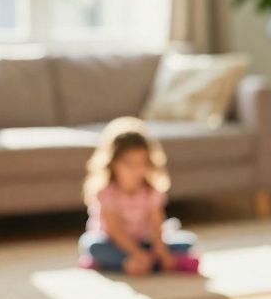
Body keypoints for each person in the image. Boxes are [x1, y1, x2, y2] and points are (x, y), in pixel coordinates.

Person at [79, 117, 199, 275]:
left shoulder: (152, 190)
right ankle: (148, 264)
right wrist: (136, 253)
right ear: (113, 163)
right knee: (92, 244)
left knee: (187, 241)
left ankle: (135, 264)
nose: (135, 170)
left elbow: (157, 224)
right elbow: (115, 230)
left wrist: (161, 250)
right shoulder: (106, 192)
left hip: (145, 241)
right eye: (128, 164)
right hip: (115, 242)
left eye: (141, 163)